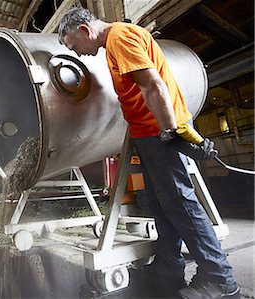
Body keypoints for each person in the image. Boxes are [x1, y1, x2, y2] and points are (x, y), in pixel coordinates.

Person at [58, 8, 240, 299]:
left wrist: (170, 132)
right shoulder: (114, 42)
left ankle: (219, 278)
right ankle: (168, 268)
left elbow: (153, 85)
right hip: (149, 134)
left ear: (83, 29)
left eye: (73, 45)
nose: (77, 53)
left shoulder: (120, 37)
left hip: (159, 133)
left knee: (181, 204)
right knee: (158, 203)